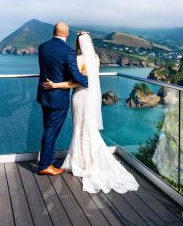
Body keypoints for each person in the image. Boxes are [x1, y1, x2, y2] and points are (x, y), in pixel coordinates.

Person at [43, 31, 139, 193]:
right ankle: (87, 160)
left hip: (80, 97)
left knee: (79, 128)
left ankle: (81, 162)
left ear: (78, 44)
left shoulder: (78, 59)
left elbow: (76, 83)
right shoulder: (95, 58)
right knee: (88, 128)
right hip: (90, 97)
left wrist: (55, 85)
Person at [37, 22, 88, 176]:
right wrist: (90, 81)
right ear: (66, 34)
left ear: (54, 32)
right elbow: (76, 76)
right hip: (58, 99)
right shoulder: (67, 51)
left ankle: (47, 161)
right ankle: (45, 165)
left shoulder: (42, 47)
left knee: (48, 129)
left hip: (44, 95)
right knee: (51, 131)